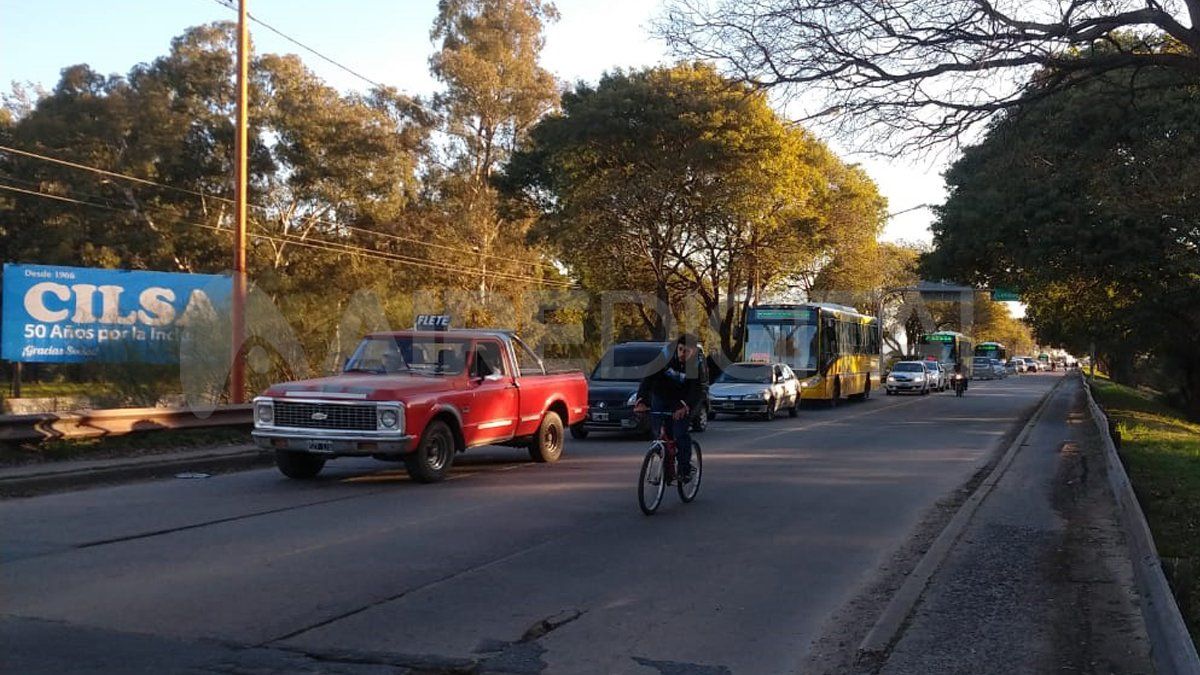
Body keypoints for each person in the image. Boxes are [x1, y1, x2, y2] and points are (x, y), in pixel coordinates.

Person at [632, 333, 704, 483]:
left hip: (682, 400)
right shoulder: (665, 357)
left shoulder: (694, 365)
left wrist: (685, 406)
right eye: (681, 349)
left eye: (687, 351)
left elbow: (696, 390)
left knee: (679, 433)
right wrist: (641, 401)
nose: (683, 354)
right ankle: (665, 464)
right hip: (661, 396)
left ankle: (684, 469)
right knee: (659, 433)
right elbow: (648, 379)